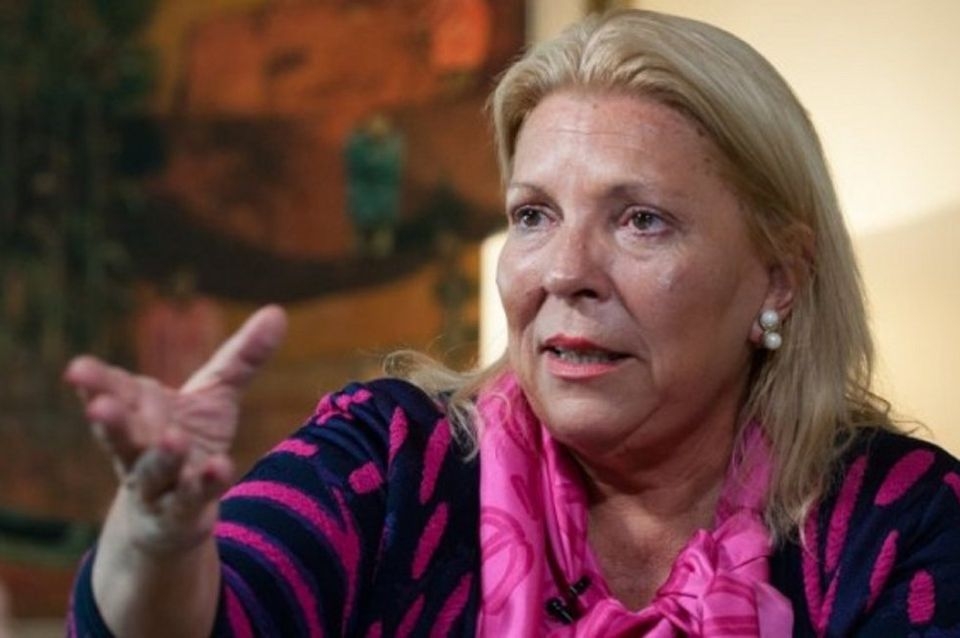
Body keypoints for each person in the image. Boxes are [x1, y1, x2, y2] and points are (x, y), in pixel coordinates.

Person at [65, 9, 960, 637]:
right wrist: (157, 543)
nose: (565, 272)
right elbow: (217, 613)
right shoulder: (390, 461)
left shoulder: (900, 522)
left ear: (781, 275)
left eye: (640, 220)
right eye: (534, 215)